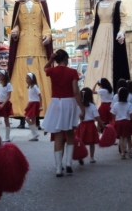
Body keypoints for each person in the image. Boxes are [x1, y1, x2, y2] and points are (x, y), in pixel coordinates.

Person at [8, 0, 53, 123]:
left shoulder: (42, 4)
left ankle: (41, 112)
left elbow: (46, 26)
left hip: (38, 47)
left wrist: (47, 35)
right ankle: (20, 113)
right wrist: (14, 31)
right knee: (20, 81)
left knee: (39, 80)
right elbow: (16, 25)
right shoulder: (18, 5)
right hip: (22, 47)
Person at [79, 0, 130, 101]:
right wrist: (86, 27)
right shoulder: (98, 5)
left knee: (110, 60)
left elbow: (124, 22)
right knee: (97, 60)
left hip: (111, 34)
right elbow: (95, 22)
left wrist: (121, 33)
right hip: (99, 35)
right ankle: (92, 94)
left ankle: (110, 91)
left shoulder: (118, 4)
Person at [42, 49, 85, 177]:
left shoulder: (52, 71)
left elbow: (45, 68)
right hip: (69, 102)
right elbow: (76, 91)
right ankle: (68, 164)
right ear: (66, 58)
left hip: (56, 102)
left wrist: (50, 60)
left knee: (58, 135)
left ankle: (58, 168)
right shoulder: (72, 72)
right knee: (70, 132)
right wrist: (81, 108)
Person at [76, 88, 105, 165]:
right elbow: (96, 116)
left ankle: (80, 156)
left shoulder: (79, 106)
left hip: (82, 125)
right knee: (91, 142)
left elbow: (78, 116)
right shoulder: (92, 106)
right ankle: (91, 157)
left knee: (81, 142)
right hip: (90, 125)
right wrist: (102, 124)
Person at [110, 87, 132, 159]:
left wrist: (115, 120)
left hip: (118, 122)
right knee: (128, 137)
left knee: (121, 137)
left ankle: (122, 153)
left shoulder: (115, 104)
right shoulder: (129, 104)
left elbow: (113, 114)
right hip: (127, 121)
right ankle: (129, 151)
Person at [24, 72, 42, 141]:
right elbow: (30, 98)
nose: (26, 79)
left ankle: (35, 132)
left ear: (31, 79)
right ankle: (34, 135)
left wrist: (41, 106)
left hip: (35, 104)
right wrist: (27, 105)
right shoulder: (30, 87)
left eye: (28, 78)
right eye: (26, 78)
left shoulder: (34, 86)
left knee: (27, 118)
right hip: (31, 103)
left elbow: (40, 96)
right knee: (33, 120)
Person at [0, 70, 13, 142]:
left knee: (6, 120)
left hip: (5, 104)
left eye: (0, 75)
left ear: (4, 76)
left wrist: (3, 104)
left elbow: (8, 96)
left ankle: (7, 137)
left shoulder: (8, 84)